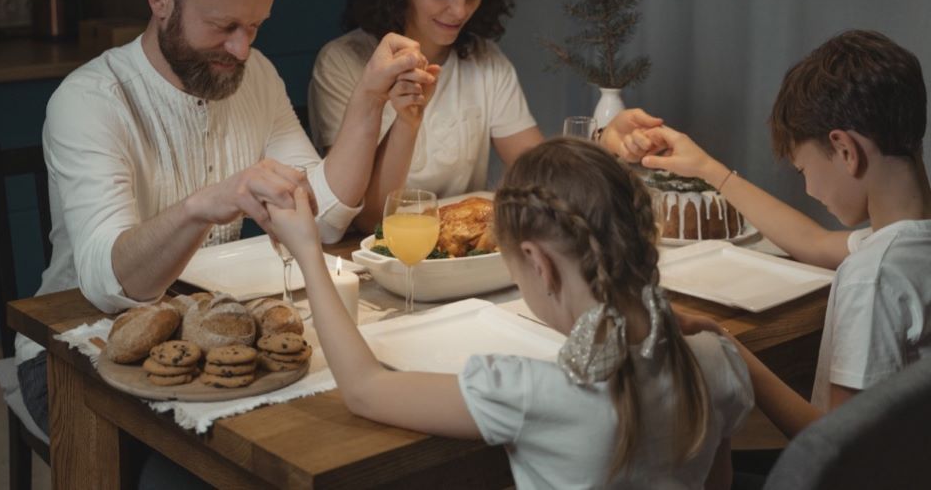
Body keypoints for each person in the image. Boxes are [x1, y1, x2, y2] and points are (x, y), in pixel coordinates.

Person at [14, 0, 428, 435]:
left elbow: (323, 216)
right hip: (75, 350)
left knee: (327, 438)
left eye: (255, 26)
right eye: (223, 25)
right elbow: (108, 283)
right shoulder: (90, 100)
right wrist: (205, 204)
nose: (241, 48)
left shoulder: (255, 75)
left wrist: (370, 101)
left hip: (209, 335)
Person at [264, 137, 753, 489]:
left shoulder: (531, 391)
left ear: (538, 264)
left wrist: (310, 254)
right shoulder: (715, 361)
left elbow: (365, 391)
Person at [309, 0, 661, 230]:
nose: (459, 9)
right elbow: (371, 220)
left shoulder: (485, 60)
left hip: (462, 252)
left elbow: (539, 172)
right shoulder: (343, 63)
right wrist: (406, 122)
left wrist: (601, 144)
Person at [640, 30, 931, 439]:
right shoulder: (906, 246)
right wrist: (709, 169)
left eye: (803, 170)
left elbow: (838, 448)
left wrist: (729, 347)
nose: (809, 188)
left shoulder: (873, 276)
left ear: (845, 150)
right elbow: (811, 242)